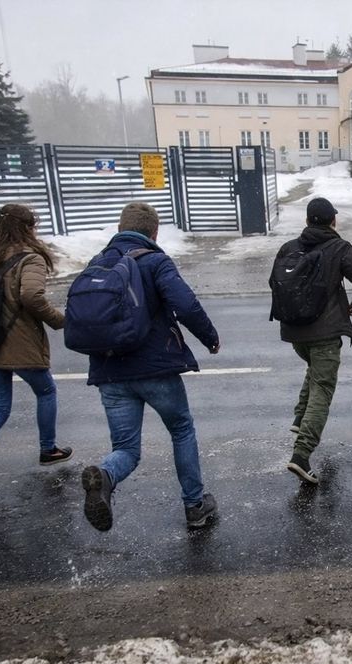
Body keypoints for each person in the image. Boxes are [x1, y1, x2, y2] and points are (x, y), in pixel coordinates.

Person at [79, 202, 221, 532]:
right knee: (181, 429)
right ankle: (194, 506)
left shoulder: (97, 263)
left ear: (119, 228)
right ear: (154, 232)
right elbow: (185, 303)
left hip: (109, 372)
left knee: (127, 449)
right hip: (156, 368)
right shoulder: (155, 261)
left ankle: (105, 475)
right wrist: (209, 337)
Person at [0, 204, 70, 499]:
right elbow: (31, 296)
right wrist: (59, 320)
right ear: (28, 228)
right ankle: (48, 448)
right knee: (46, 391)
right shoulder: (30, 259)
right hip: (19, 341)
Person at [275, 197, 352, 485]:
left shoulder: (288, 248)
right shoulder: (338, 247)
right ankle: (301, 455)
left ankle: (299, 420)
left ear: (307, 221)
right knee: (323, 387)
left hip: (295, 333)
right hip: (326, 333)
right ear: (333, 221)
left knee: (315, 373)